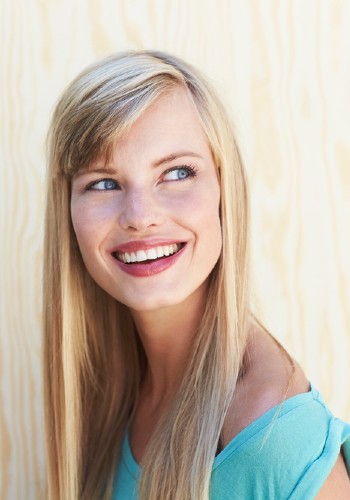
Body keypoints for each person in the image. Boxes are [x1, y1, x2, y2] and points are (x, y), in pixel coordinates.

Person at [43, 50, 350, 500]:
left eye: (177, 172)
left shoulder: (276, 440)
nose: (140, 216)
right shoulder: (111, 392)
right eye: (104, 183)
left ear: (225, 191)